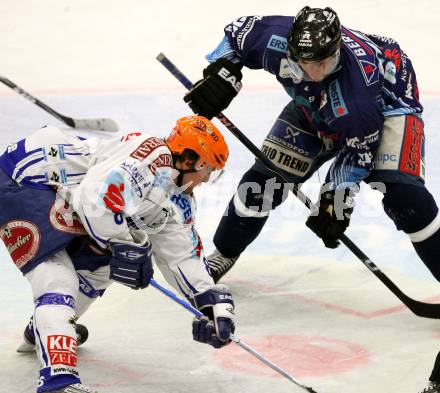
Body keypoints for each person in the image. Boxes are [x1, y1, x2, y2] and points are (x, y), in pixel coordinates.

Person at [183, 6, 440, 284]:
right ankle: (224, 253)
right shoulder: (275, 40)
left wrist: (334, 200)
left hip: (389, 105)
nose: (314, 72)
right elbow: (237, 35)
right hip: (316, 106)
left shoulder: (357, 101)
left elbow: (358, 155)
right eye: (304, 63)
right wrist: (222, 73)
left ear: (337, 51)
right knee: (260, 186)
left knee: (406, 198)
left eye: (323, 63)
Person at [0, 116, 235, 393]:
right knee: (58, 280)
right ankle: (58, 381)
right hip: (24, 177)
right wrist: (123, 244)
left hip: (61, 196)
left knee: (103, 264)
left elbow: (181, 254)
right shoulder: (153, 156)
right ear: (187, 159)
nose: (207, 179)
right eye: (207, 169)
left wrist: (208, 302)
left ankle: (48, 329)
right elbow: (96, 198)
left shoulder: (177, 196)